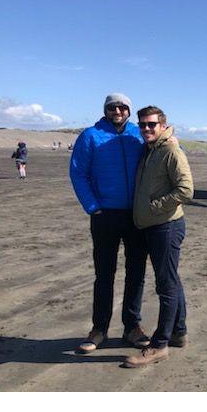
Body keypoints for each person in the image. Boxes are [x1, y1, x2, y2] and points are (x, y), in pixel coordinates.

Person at [69, 93, 150, 354]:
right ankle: (99, 329)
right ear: (106, 110)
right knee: (104, 274)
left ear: (128, 110)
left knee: (136, 273)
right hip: (105, 215)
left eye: (122, 106)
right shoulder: (91, 136)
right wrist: (93, 207)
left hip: (136, 215)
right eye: (112, 107)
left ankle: (132, 327)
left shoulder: (139, 134)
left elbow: (167, 151)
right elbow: (78, 172)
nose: (117, 110)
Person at [124, 106, 194, 368]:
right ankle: (179, 332)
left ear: (163, 125)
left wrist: (155, 206)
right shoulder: (150, 149)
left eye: (151, 124)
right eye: (142, 125)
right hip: (152, 226)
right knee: (172, 281)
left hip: (166, 226)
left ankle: (160, 344)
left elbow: (186, 190)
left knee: (165, 286)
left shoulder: (170, 151)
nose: (146, 129)